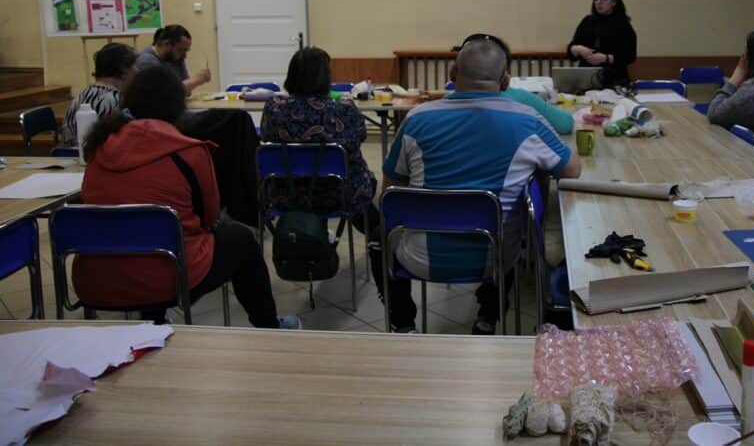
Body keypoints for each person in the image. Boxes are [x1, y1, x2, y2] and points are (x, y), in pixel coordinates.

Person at [379, 36, 582, 334]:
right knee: (509, 223)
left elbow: (389, 192)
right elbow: (572, 171)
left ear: (451, 74)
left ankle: (403, 323)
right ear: (505, 80)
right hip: (495, 260)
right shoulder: (528, 121)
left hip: (419, 259)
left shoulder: (416, 119)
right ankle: (488, 316)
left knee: (377, 233)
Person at [75, 65, 298, 329]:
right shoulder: (188, 151)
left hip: (96, 279)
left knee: (146, 236)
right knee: (241, 240)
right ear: (177, 104)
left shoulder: (99, 148)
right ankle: (269, 327)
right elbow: (210, 217)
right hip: (167, 275)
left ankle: (155, 319)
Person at [260, 46, 377, 225]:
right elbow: (358, 139)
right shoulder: (343, 109)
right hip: (337, 194)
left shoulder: (274, 109)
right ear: (325, 77)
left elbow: (266, 137)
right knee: (360, 175)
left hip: (284, 194)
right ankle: (378, 240)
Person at [454, 33, 574, 135]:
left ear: (454, 73)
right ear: (506, 78)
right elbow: (565, 123)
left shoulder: (439, 110)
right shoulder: (522, 100)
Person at [61, 42, 138, 147]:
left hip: (70, 157)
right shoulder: (115, 101)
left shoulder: (82, 95)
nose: (137, 70)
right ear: (123, 71)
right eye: (135, 65)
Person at [566, 0, 637, 87]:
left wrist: (606, 58)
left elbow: (630, 56)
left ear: (614, 2)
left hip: (614, 78)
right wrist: (578, 49)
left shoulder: (623, 24)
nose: (599, 2)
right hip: (586, 78)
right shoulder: (587, 21)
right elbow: (571, 50)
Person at [136, 24, 211, 94]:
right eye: (181, 50)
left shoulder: (176, 58)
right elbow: (165, 94)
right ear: (167, 44)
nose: (185, 56)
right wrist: (196, 80)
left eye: (186, 51)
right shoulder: (146, 60)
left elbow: (186, 91)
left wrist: (192, 83)